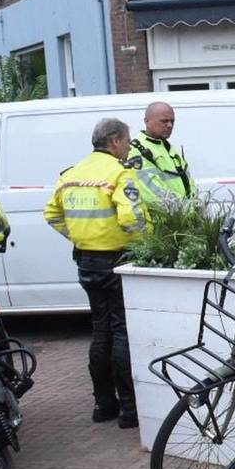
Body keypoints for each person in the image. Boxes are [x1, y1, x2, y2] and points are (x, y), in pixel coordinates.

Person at [44, 118, 147, 429]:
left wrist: (81, 237)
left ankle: (103, 405)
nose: (129, 146)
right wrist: (143, 243)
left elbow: (52, 214)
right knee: (121, 331)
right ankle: (129, 410)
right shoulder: (120, 172)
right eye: (127, 140)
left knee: (100, 330)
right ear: (114, 141)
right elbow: (132, 220)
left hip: (86, 261)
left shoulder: (71, 175)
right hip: (118, 260)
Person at [127, 101, 194, 205]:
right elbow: (151, 191)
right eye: (164, 121)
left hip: (182, 217)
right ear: (147, 121)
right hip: (166, 218)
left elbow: (188, 180)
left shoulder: (168, 147)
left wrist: (194, 206)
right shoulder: (135, 150)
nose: (169, 125)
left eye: (172, 121)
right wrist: (180, 211)